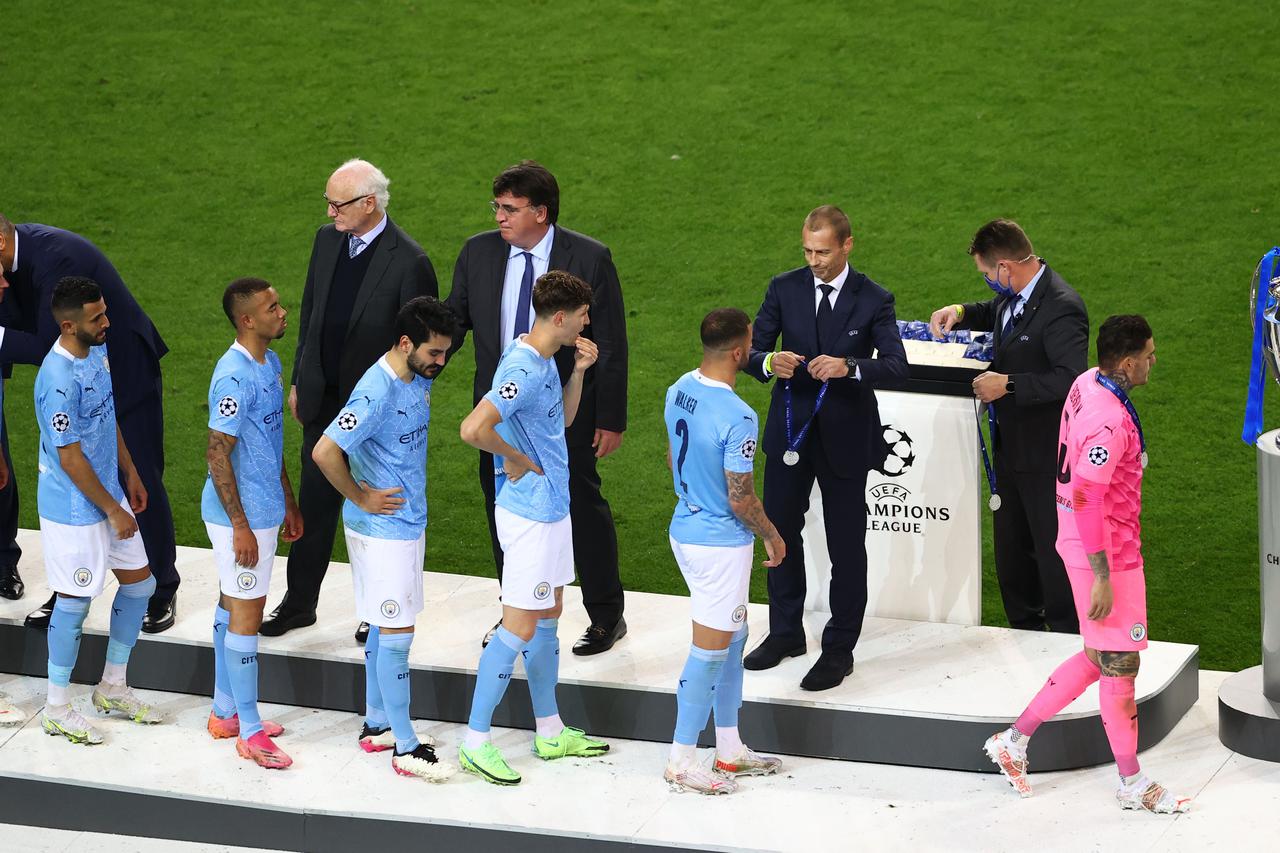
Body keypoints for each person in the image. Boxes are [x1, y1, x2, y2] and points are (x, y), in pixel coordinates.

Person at [984, 315, 1191, 814]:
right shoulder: (1108, 422)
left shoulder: (1086, 381)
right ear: (1128, 363)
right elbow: (1086, 495)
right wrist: (1102, 574)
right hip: (1106, 553)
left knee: (1100, 656)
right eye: (1148, 355)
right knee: (1121, 664)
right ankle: (1132, 782)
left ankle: (1014, 740)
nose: (1153, 361)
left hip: (1086, 543)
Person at [447, 160, 629, 656]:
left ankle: (606, 615)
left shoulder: (589, 257)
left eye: (510, 208)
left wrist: (611, 417)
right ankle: (517, 608)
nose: (499, 217)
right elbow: (455, 322)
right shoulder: (478, 252)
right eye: (497, 207)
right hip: (500, 413)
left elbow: (611, 340)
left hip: (565, 408)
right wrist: (418, 368)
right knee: (503, 505)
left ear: (541, 213)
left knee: (582, 504)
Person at [262, 159, 439, 642]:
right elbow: (312, 315)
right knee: (316, 503)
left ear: (369, 203)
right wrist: (299, 379)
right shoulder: (327, 240)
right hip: (322, 399)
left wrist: (405, 403)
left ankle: (377, 608)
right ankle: (299, 602)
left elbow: (424, 346)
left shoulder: (410, 261)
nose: (330, 211)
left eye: (337, 204)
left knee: (375, 511)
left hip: (375, 414)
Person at [742, 205, 908, 691]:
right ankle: (785, 633)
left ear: (847, 246)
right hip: (790, 434)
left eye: (823, 252)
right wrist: (770, 362)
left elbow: (897, 365)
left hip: (846, 439)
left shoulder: (874, 298)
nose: (814, 261)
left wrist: (849, 367)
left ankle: (839, 649)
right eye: (807, 251)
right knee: (778, 533)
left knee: (845, 545)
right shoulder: (783, 288)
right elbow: (751, 352)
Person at [457, 271, 610, 785]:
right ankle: (475, 742)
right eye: (582, 316)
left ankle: (550, 730)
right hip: (528, 516)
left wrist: (580, 373)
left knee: (548, 616)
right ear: (560, 317)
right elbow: (473, 428)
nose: (587, 323)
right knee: (518, 626)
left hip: (552, 508)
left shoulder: (545, 359)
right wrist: (514, 457)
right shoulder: (522, 367)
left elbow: (559, 422)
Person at [0, 214, 175, 632]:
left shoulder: (55, 259)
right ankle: (69, 592)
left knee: (138, 477)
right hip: (77, 382)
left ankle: (161, 588)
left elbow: (51, 342)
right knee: (76, 481)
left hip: (123, 373)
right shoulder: (19, 258)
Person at [312, 296, 457, 783]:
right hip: (383, 531)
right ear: (405, 343)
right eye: (434, 352)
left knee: (382, 623)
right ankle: (406, 746)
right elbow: (325, 450)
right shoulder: (376, 393)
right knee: (398, 635)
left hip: (404, 524)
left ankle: (377, 724)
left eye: (445, 352)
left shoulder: (416, 376)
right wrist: (361, 496)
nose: (441, 362)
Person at [929, 220, 1088, 633]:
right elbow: (997, 314)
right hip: (1011, 448)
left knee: (1052, 550)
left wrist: (1008, 384)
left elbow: (1071, 378)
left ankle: (1066, 637)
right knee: (1013, 551)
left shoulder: (1062, 306)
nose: (986, 281)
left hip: (1046, 453)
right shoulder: (1015, 294)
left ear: (1005, 267)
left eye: (986, 273)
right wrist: (961, 312)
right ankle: (1024, 629)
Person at [662, 308, 786, 795]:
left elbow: (673, 456)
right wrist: (771, 534)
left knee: (734, 637)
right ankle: (680, 761)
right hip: (718, 545)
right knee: (709, 651)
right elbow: (741, 497)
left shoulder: (679, 388)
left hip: (686, 528)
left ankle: (729, 748)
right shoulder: (739, 416)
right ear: (740, 351)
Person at [34, 277, 163, 745]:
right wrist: (112, 509)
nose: (107, 322)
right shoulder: (58, 380)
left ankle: (111, 686)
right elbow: (69, 457)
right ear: (69, 326)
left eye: (105, 312)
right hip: (75, 509)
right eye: (97, 317)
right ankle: (55, 708)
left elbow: (106, 419)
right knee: (74, 604)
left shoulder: (96, 351)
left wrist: (129, 471)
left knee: (141, 585)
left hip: (109, 495)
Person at [202, 278, 304, 769]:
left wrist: (288, 499)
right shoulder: (234, 377)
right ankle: (249, 731)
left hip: (263, 510)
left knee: (233, 603)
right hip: (239, 519)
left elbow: (268, 439)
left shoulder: (271, 362)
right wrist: (239, 525)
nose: (282, 312)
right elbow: (216, 453)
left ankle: (225, 712)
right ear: (247, 320)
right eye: (272, 307)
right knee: (247, 614)